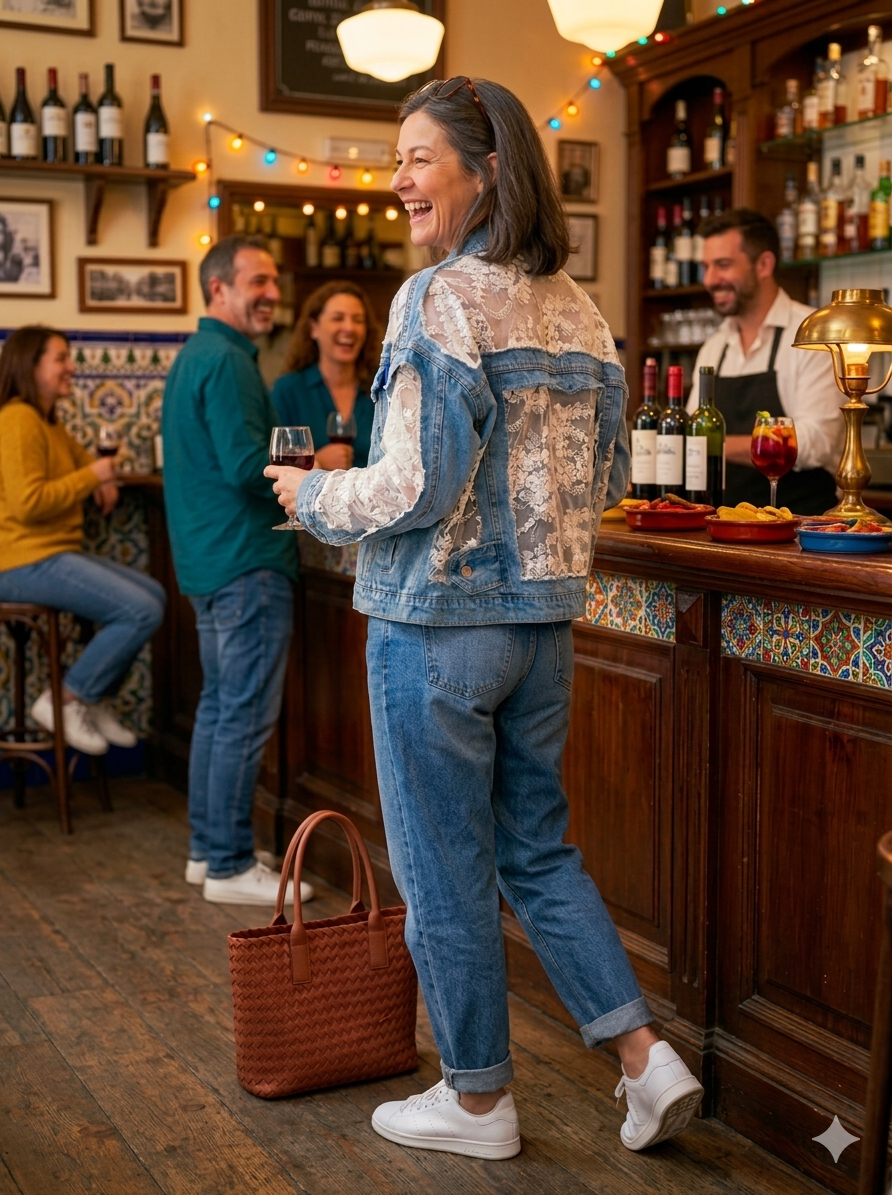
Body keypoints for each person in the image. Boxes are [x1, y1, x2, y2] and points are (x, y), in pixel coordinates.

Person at [266, 76, 703, 1160]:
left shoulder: (437, 298)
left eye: (418, 157)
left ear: (488, 167)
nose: (398, 178)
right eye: (396, 158)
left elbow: (410, 486)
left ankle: (475, 1102)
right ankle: (646, 1061)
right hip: (542, 631)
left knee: (441, 868)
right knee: (538, 855)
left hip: (433, 629)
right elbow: (603, 475)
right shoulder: (578, 306)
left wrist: (311, 498)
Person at [161, 235, 312, 908]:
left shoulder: (198, 354)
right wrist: (316, 473)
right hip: (246, 560)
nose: (271, 293)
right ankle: (227, 863)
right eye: (258, 280)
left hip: (210, 562)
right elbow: (246, 466)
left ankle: (207, 850)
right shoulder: (226, 361)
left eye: (274, 281)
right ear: (218, 288)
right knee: (241, 715)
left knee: (221, 712)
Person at [0, 326, 165, 755]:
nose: (72, 367)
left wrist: (96, 479)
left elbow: (85, 465)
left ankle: (94, 696)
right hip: (17, 559)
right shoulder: (18, 418)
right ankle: (68, 698)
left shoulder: (48, 420)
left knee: (153, 593)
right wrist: (93, 478)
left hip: (46, 552)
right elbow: (28, 503)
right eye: (61, 358)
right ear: (30, 366)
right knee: (140, 609)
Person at [688, 208, 844, 513]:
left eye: (722, 265)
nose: (709, 279)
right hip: (723, 525)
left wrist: (710, 443)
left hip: (798, 530)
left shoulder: (811, 335)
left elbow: (818, 441)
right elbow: (692, 431)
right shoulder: (714, 346)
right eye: (705, 267)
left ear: (764, 264)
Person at [271, 282, 379, 471]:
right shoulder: (288, 390)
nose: (349, 328)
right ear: (314, 328)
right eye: (338, 318)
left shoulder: (381, 389)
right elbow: (272, 470)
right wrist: (316, 462)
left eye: (358, 320)